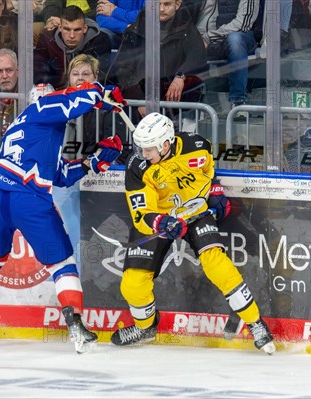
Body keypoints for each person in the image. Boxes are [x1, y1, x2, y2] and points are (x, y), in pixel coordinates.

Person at [0, 80, 127, 353]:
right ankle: (76, 324)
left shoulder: (28, 130)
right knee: (62, 263)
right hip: (27, 199)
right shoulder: (42, 107)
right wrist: (99, 93)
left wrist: (94, 160)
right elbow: (71, 100)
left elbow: (60, 176)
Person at [110, 112, 275, 354]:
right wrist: (162, 221)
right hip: (158, 220)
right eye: (141, 148)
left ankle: (255, 323)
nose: (143, 154)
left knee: (217, 264)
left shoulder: (197, 145)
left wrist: (215, 188)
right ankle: (145, 327)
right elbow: (140, 211)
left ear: (166, 144)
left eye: (148, 149)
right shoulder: (137, 166)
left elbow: (207, 169)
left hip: (196, 212)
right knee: (132, 283)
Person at [112, 0, 207, 120]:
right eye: (157, 4)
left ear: (177, 5)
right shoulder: (134, 31)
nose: (161, 9)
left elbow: (197, 57)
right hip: (137, 107)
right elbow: (123, 69)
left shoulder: (188, 30)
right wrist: (140, 100)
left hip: (177, 107)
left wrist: (181, 76)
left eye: (167, 4)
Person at [194, 0, 264, 115]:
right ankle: (191, 109)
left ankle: (238, 101)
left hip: (242, 37)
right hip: (210, 38)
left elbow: (243, 25)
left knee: (235, 39)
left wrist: (208, 37)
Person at [33, 5, 112, 89]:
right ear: (59, 28)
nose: (72, 36)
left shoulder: (100, 40)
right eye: (67, 29)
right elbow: (39, 74)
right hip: (56, 94)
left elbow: (103, 76)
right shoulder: (47, 39)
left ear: (85, 28)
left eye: (77, 30)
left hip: (88, 93)